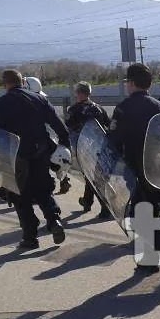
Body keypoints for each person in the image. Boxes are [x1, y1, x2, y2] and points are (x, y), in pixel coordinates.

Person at [108, 63, 160, 282]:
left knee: (140, 218)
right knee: (149, 215)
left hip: (136, 171)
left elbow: (113, 140)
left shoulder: (124, 108)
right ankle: (148, 262)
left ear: (131, 83)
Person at [0, 69, 70, 248]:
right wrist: (64, 143)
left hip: (15, 156)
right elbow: (57, 123)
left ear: (5, 84)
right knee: (43, 189)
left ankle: (30, 237)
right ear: (22, 81)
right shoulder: (39, 99)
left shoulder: (1, 103)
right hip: (40, 152)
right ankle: (54, 220)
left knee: (19, 195)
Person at [66, 81, 112, 219]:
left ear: (79, 93)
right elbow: (108, 125)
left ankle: (105, 208)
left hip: (84, 149)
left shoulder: (74, 110)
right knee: (92, 176)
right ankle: (87, 201)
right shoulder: (98, 108)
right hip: (100, 147)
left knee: (93, 178)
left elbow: (68, 126)